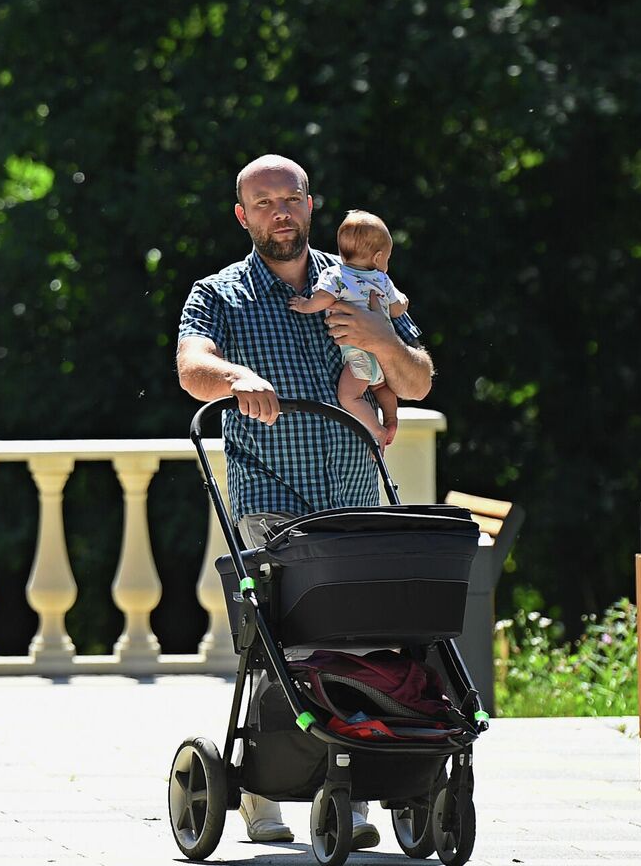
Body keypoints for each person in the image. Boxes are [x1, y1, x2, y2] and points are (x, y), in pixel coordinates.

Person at [176, 154, 434, 847]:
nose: (279, 213)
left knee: (364, 635)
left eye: (289, 199)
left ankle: (356, 787)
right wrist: (235, 377)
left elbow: (417, 380)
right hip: (271, 496)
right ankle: (264, 786)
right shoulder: (220, 294)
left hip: (354, 496)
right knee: (281, 638)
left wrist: (380, 338)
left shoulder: (356, 281)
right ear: (243, 216)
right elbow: (191, 366)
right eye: (263, 204)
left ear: (310, 204)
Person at [287, 209, 409, 445]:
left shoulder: (336, 274)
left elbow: (323, 299)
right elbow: (396, 309)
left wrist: (305, 305)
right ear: (377, 257)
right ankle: (390, 419)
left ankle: (376, 429)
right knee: (382, 386)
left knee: (349, 396)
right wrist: (403, 301)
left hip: (358, 355)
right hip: (382, 354)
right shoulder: (382, 279)